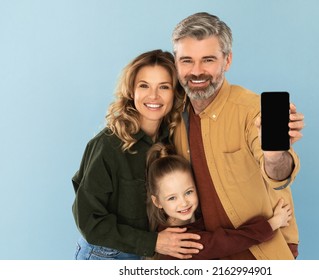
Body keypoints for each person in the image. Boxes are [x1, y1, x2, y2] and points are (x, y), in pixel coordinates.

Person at [172, 12, 305, 259]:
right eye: (187, 60)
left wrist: (274, 155)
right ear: (176, 62)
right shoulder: (173, 115)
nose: (197, 71)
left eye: (208, 60)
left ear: (227, 60)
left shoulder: (252, 110)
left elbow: (280, 176)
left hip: (263, 251)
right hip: (211, 250)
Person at [71, 49, 203, 260]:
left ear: (175, 92)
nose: (154, 96)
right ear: (132, 91)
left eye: (164, 87)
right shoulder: (107, 145)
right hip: (105, 255)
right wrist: (154, 242)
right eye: (144, 86)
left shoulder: (172, 140)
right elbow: (89, 221)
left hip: (148, 256)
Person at [146, 143, 293, 260]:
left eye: (188, 192)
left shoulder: (190, 222)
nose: (183, 202)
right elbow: (225, 243)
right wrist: (274, 223)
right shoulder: (179, 242)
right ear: (157, 202)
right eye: (172, 198)